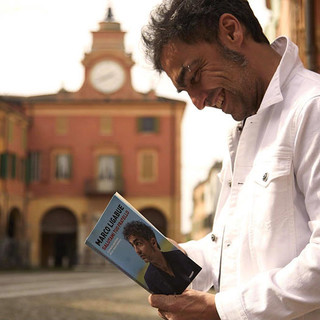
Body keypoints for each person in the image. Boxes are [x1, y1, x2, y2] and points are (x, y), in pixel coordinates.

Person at [141, 0, 320, 319]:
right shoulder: (242, 130)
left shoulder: (312, 109)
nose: (197, 103)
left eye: (193, 75)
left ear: (231, 31)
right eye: (186, 91)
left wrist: (223, 310)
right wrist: (175, 257)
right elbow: (230, 245)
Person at [122, 221, 201, 295]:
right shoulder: (149, 278)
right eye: (133, 246)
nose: (137, 251)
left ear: (153, 242)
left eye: (138, 243)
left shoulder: (178, 255)